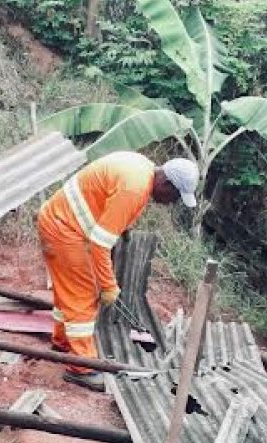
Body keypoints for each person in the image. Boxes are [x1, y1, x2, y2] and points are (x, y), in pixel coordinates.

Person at [37, 151, 199, 393]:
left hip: (60, 221)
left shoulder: (143, 168)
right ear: (166, 183)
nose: (170, 203)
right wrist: (108, 286)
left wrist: (123, 227)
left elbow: (108, 199)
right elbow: (100, 244)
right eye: (174, 196)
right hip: (65, 230)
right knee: (82, 296)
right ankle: (81, 368)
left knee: (69, 293)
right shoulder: (134, 189)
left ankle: (62, 344)